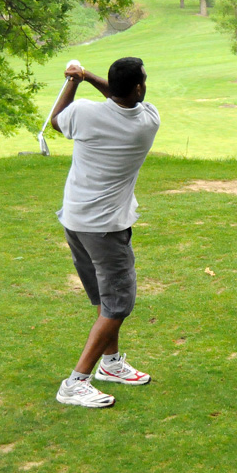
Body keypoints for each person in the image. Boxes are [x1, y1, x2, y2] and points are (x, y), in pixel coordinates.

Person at [50, 57, 160, 409]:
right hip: (107, 229)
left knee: (103, 299)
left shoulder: (83, 113)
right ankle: (76, 382)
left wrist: (75, 80)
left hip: (75, 220)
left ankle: (110, 365)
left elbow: (56, 121)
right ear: (139, 87)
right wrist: (88, 77)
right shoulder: (147, 122)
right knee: (117, 305)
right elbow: (122, 94)